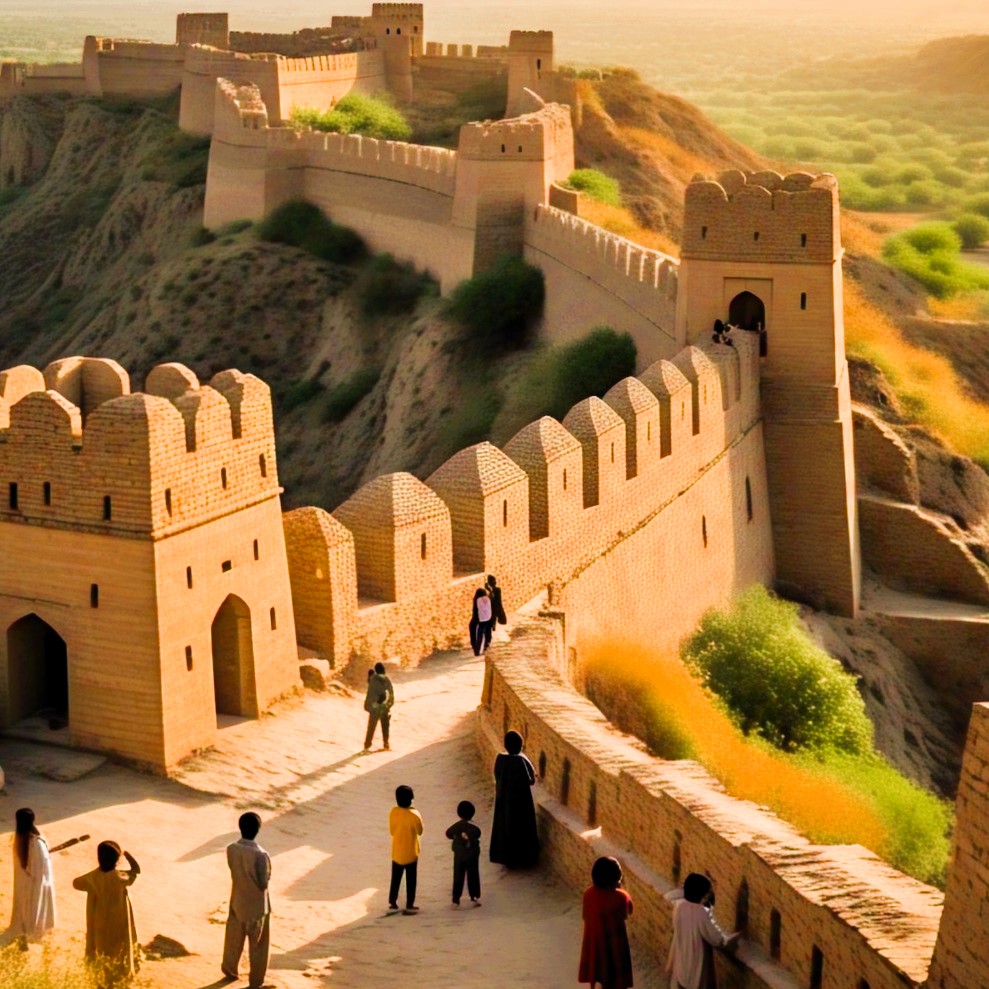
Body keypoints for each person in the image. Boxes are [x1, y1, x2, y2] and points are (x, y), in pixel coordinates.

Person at [72, 841, 140, 987]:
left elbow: (76, 883)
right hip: (119, 924)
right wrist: (128, 856)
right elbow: (135, 872)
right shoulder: (120, 877)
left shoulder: (93, 878)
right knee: (120, 953)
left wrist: (96, 871)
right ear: (116, 860)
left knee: (102, 951)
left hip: (100, 923)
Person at [222, 812, 272, 989]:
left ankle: (229, 969)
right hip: (257, 905)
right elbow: (263, 882)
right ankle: (256, 981)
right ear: (258, 830)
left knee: (233, 937)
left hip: (237, 898)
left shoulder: (231, 849)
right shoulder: (261, 854)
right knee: (258, 945)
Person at [667, 873, 739, 989]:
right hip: (696, 965)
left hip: (682, 962)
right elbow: (716, 940)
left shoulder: (679, 906)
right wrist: (734, 938)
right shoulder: (700, 912)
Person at [578, 856, 633, 989]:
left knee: (601, 971)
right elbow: (628, 912)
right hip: (615, 943)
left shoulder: (588, 894)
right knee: (615, 972)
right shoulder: (620, 897)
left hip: (595, 941)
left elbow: (585, 916)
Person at [489, 730, 540, 868]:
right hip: (520, 802)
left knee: (506, 827)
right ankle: (523, 859)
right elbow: (531, 779)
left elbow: (497, 775)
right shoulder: (520, 761)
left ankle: (508, 859)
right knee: (521, 829)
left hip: (504, 800)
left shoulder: (500, 759)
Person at [11, 807, 56, 946]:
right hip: (36, 882)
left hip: (26, 882)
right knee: (34, 908)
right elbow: (41, 865)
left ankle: (24, 933)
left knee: (25, 908)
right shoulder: (34, 843)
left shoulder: (21, 838)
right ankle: (29, 934)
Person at [389, 785, 423, 915]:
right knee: (411, 879)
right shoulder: (414, 814)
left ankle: (392, 901)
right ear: (411, 800)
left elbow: (392, 831)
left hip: (397, 851)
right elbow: (420, 831)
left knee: (395, 878)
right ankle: (410, 903)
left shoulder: (393, 812)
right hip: (411, 852)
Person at [444, 800, 482, 907]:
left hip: (459, 855)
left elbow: (448, 833)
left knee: (458, 876)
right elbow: (478, 834)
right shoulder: (474, 827)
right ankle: (474, 897)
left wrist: (457, 837)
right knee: (473, 875)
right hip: (472, 855)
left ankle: (456, 899)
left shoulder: (456, 826)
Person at [363, 662, 394, 751]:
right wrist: (389, 705)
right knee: (385, 727)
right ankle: (386, 744)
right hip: (384, 708)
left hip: (375, 709)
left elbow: (371, 694)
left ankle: (367, 745)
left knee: (371, 727)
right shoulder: (387, 680)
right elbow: (391, 694)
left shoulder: (373, 680)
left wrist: (371, 706)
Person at [469, 588, 490, 656]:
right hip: (482, 621)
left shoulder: (476, 600)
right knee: (482, 636)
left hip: (475, 621)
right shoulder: (484, 601)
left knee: (475, 637)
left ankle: (476, 650)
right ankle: (482, 650)